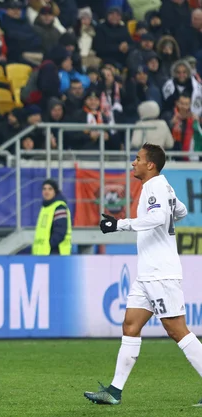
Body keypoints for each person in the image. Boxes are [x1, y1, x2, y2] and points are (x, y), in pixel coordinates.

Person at [83, 143, 202, 406]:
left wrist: (119, 224)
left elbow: (159, 217)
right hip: (147, 274)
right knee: (131, 325)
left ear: (151, 164)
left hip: (161, 273)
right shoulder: (164, 186)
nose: (133, 162)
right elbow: (179, 211)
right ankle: (114, 391)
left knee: (177, 330)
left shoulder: (154, 186)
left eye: (138, 159)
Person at [32, 179, 72, 255]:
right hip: (43, 253)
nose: (46, 192)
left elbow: (60, 231)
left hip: (55, 253)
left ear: (55, 191)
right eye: (44, 189)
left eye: (50, 189)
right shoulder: (45, 207)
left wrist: (49, 244)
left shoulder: (59, 207)